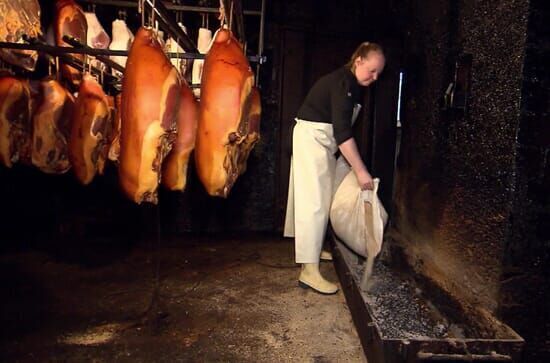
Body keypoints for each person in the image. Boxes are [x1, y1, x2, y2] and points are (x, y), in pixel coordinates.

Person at [284, 42, 386, 294]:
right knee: (314, 202)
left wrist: (348, 166)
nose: (374, 78)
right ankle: (309, 271)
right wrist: (361, 172)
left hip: (324, 143)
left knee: (322, 197)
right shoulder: (342, 84)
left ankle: (313, 247)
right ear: (359, 60)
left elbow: (341, 132)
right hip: (312, 139)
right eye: (372, 71)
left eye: (379, 74)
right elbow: (342, 133)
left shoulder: (354, 85)